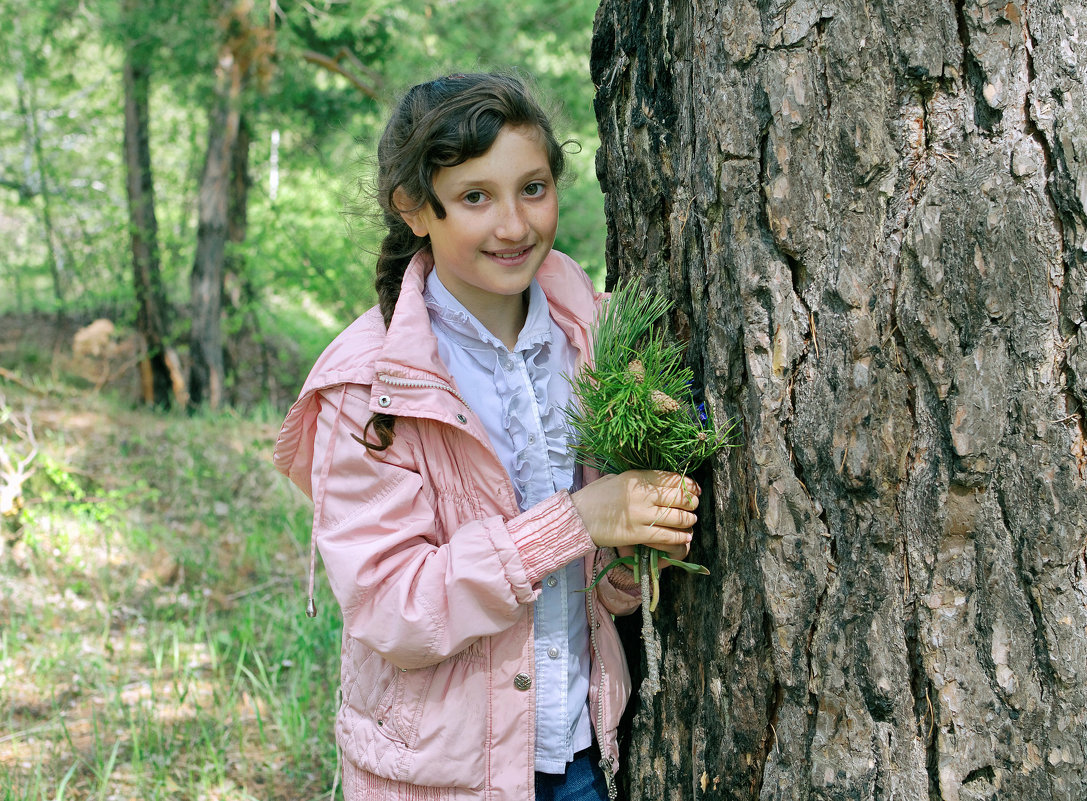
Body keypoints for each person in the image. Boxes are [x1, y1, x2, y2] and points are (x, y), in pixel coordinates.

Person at [273, 72, 702, 801]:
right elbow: (393, 606)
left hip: (579, 751)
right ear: (414, 208)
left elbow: (579, 550)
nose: (514, 225)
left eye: (532, 188)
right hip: (441, 775)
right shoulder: (369, 390)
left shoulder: (588, 334)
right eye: (475, 197)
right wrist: (575, 522)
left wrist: (613, 572)